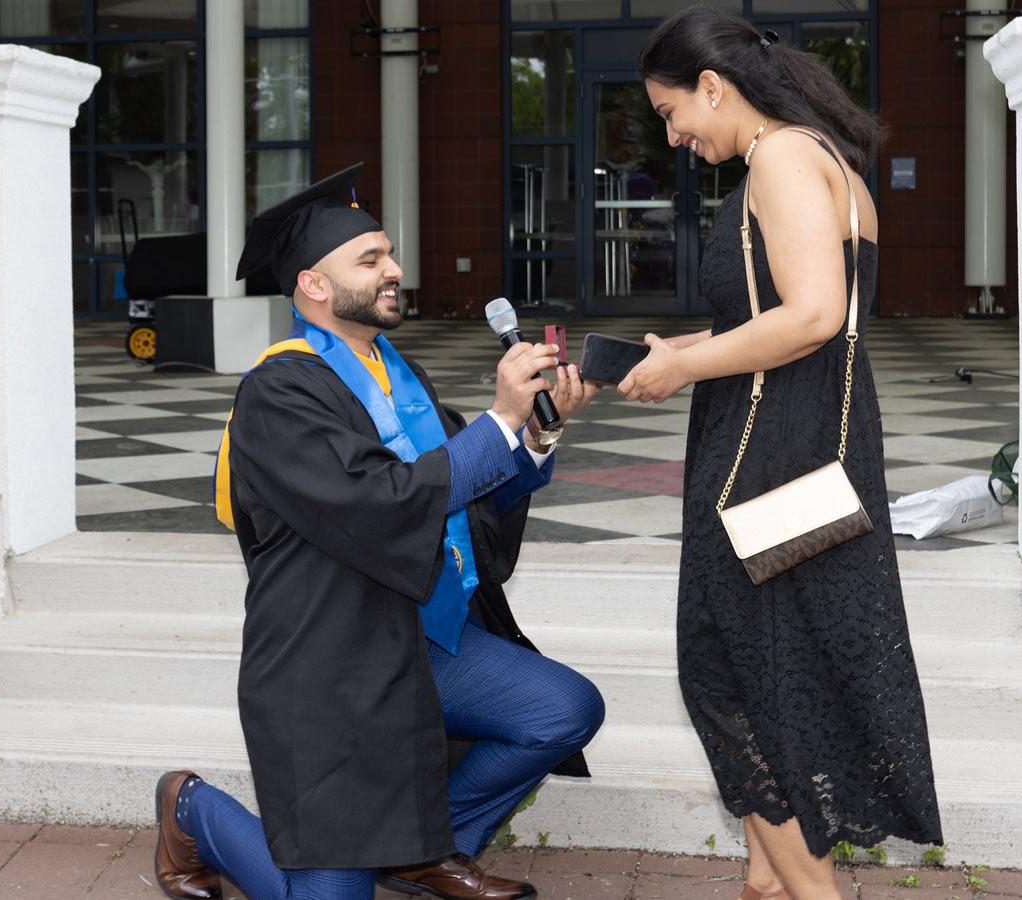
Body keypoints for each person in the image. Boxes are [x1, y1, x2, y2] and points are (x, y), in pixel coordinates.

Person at [153, 163, 605, 900]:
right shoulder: (280, 391)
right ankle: (191, 809)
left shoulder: (398, 373)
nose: (395, 271)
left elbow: (465, 493)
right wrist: (498, 419)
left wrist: (538, 434)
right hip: (331, 668)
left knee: (560, 710)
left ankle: (426, 850)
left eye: (390, 254)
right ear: (314, 286)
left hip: (421, 638)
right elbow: (383, 502)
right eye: (371, 260)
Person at [618, 7, 944, 898]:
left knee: (748, 680)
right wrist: (688, 354)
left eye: (672, 112)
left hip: (773, 455)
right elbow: (784, 314)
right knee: (759, 673)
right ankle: (768, 881)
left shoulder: (784, 158)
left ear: (713, 88)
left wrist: (682, 363)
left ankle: (807, 891)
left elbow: (811, 316)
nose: (674, 135)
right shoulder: (812, 157)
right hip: (784, 443)